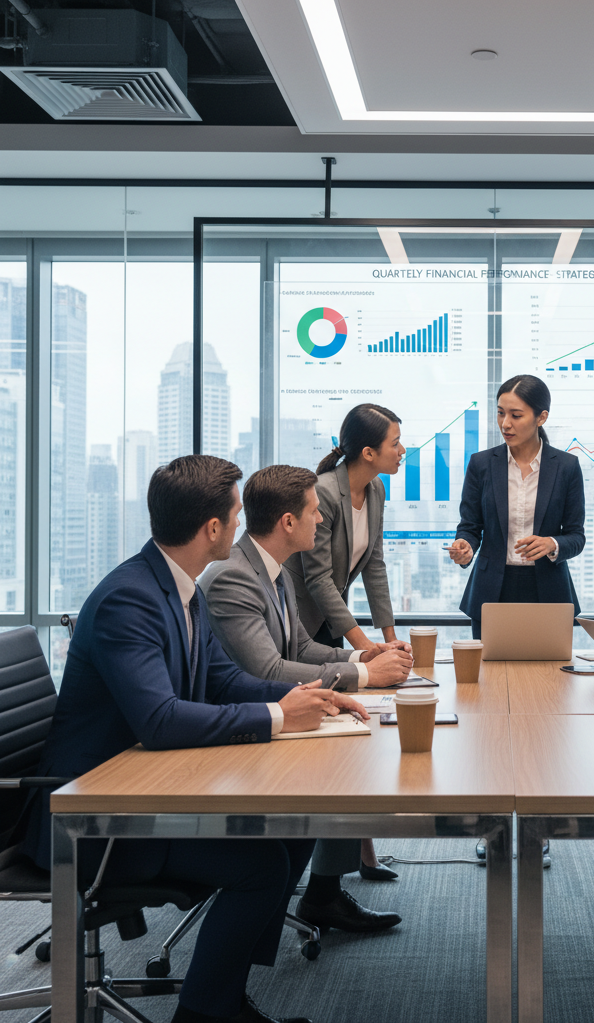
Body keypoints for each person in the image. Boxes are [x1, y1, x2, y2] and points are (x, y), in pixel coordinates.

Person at [24, 455, 368, 1023]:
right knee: (261, 868)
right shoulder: (129, 599)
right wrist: (278, 719)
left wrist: (304, 701)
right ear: (212, 528)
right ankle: (207, 1014)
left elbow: (220, 679)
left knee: (291, 833)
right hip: (90, 819)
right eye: (234, 515)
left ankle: (225, 997)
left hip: (139, 788)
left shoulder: (178, 588)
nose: (239, 526)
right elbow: (159, 721)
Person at [201, 464, 410, 932]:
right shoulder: (234, 578)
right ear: (288, 523)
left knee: (353, 745)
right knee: (343, 756)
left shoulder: (273, 573)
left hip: (271, 708)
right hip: (237, 725)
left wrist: (363, 653)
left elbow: (299, 647)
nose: (322, 521)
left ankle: (322, 892)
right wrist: (362, 674)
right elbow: (267, 670)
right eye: (315, 513)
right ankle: (314, 895)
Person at [447, 374, 585, 639]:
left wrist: (552, 544)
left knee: (549, 676)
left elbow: (576, 536)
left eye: (516, 415)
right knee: (490, 676)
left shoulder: (566, 467)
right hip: (492, 590)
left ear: (541, 417)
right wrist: (465, 545)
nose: (505, 424)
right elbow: (470, 526)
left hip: (548, 591)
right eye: (500, 413)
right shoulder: (482, 464)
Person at [285, 404, 409, 656]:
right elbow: (318, 578)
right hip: (298, 616)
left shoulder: (376, 489)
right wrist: (364, 647)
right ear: (368, 453)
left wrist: (391, 639)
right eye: (395, 444)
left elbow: (374, 565)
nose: (402, 451)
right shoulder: (325, 491)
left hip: (331, 618)